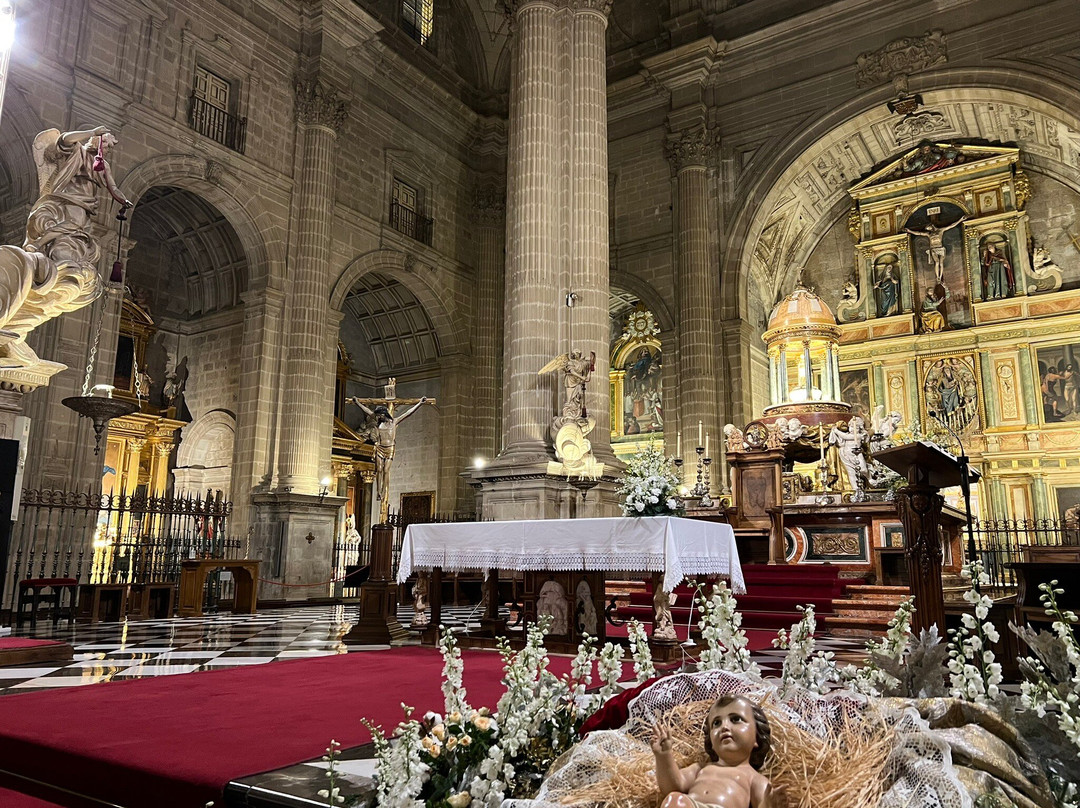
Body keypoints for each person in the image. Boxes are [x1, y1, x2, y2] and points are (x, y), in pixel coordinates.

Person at [652, 695, 777, 808]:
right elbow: (672, 786)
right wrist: (664, 756)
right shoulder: (700, 769)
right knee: (674, 800)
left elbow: (764, 803)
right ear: (710, 742)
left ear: (757, 736)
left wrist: (769, 803)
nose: (724, 727)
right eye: (716, 723)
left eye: (735, 719)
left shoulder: (753, 778)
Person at [352, 396, 429, 515]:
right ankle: (378, 491)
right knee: (379, 470)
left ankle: (383, 491)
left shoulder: (394, 421)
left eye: (380, 415)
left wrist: (419, 403)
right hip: (380, 447)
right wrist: (357, 402)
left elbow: (408, 413)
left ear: (384, 414)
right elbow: (367, 411)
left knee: (386, 470)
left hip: (390, 448)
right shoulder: (379, 422)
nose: (378, 417)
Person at [905, 216, 965, 285]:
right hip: (933, 249)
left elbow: (951, 226)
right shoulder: (929, 234)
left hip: (940, 248)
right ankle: (938, 277)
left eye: (928, 228)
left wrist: (960, 220)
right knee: (936, 262)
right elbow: (919, 233)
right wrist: (909, 231)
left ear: (931, 226)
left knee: (941, 263)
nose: (928, 230)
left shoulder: (940, 230)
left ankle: (940, 275)